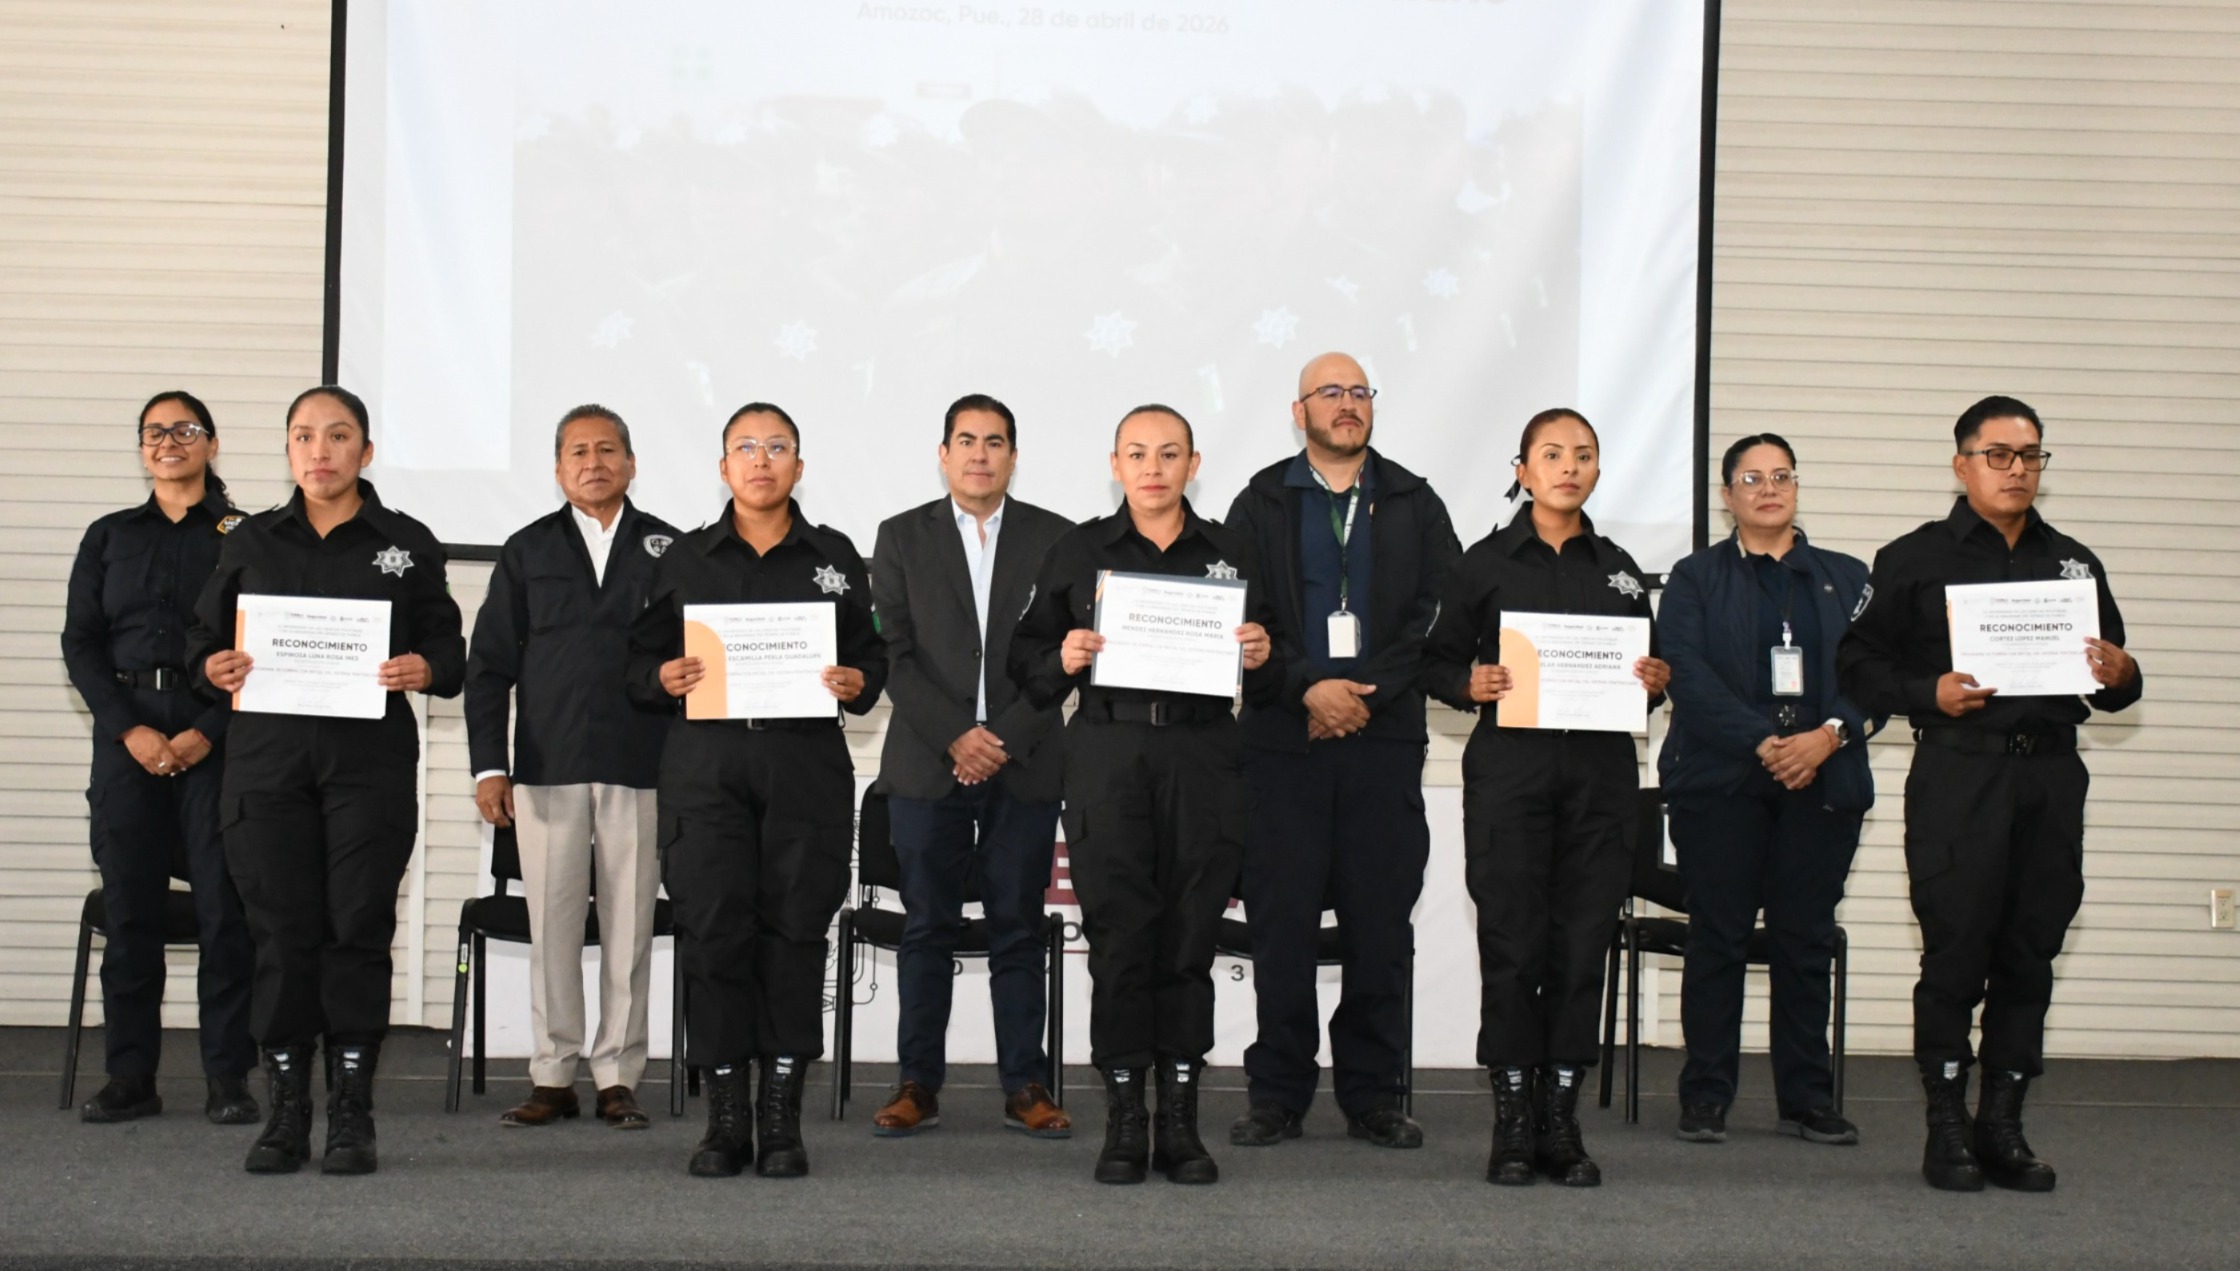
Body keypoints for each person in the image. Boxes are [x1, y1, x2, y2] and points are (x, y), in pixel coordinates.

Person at [1838, 395, 2141, 1194]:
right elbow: (1858, 665)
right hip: (1959, 775)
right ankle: (1946, 1124)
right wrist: (1927, 691)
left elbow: (2112, 680)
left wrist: (2124, 674)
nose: (2017, 469)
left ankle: (2002, 1123)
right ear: (1961, 464)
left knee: (2030, 950)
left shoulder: (2074, 563)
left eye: (2031, 455)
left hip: (2049, 776)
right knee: (1956, 948)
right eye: (1999, 454)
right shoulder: (1912, 558)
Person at [190, 385, 466, 1176]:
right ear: (288, 450)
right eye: (305, 435)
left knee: (356, 928)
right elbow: (201, 642)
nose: (321, 450)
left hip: (367, 770)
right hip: (267, 768)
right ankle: (286, 1111)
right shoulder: (249, 540)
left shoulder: (407, 543)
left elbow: (451, 653)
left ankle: (351, 1111)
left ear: (366, 452)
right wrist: (211, 666)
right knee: (280, 933)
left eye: (339, 435)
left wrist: (425, 667)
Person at [1009, 404, 1278, 1186]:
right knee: (1122, 940)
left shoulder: (1234, 551)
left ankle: (1181, 1126)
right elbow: (1025, 661)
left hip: (1205, 757)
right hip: (1109, 754)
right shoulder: (1079, 550)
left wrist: (1263, 654)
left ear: (1194, 463)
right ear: (1115, 464)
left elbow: (1282, 661)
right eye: (1137, 453)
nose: (1152, 468)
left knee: (1189, 940)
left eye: (1168, 453)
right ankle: (1127, 1122)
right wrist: (1062, 655)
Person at [625, 401, 886, 1180]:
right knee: (713, 934)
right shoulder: (684, 557)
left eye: (777, 447)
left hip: (804, 767)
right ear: (723, 467)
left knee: (796, 935)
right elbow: (634, 665)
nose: (762, 460)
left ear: (799, 467)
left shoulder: (834, 555)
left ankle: (780, 1119)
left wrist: (858, 680)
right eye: (746, 447)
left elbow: (873, 658)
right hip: (706, 769)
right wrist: (661, 676)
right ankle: (726, 1118)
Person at [1220, 353, 1460, 1151]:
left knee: (1378, 928)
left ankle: (1374, 1096)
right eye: (1330, 392)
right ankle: (1277, 1095)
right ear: (1300, 412)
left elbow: (1439, 613)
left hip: (1381, 743)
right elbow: (1241, 617)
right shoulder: (1259, 500)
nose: (1347, 404)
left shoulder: (1415, 501)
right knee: (1282, 928)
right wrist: (1306, 689)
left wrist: (1363, 696)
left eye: (1359, 392)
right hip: (1282, 745)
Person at [1424, 408, 1668, 1188]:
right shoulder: (1483, 563)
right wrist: (1468, 681)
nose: (1569, 467)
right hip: (1511, 777)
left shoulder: (1622, 570)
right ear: (1523, 470)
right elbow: (1433, 661)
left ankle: (1561, 1121)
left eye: (1583, 455)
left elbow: (1651, 678)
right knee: (1513, 946)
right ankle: (1511, 1123)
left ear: (1597, 469)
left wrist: (1655, 680)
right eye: (1553, 454)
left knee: (1581, 948)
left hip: (1600, 782)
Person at [1657, 434, 1878, 1149]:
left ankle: (1807, 1099)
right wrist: (1764, 741)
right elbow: (1684, 672)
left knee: (1804, 940)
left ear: (1797, 487)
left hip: (1823, 779)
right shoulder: (1695, 577)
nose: (1769, 488)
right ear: (1727, 495)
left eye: (1781, 475)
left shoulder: (1848, 577)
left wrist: (1827, 737)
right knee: (1717, 937)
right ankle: (1706, 1095)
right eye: (1751, 478)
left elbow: (1874, 677)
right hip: (1721, 783)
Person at [465, 405, 682, 1131]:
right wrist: (489, 767)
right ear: (559, 469)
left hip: (642, 762)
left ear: (631, 463)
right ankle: (553, 1074)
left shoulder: (670, 549)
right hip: (547, 765)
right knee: (552, 927)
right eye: (579, 452)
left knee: (630, 931)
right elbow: (488, 667)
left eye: (608, 450)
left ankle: (618, 1075)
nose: (594, 463)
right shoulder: (526, 550)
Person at [867, 394, 1074, 1140]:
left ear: (1013, 456)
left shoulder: (1057, 538)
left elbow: (1064, 657)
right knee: (927, 926)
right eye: (966, 440)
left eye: (994, 441)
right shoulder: (900, 536)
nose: (979, 454)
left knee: (1018, 927)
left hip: (1024, 761)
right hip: (928, 764)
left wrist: (1002, 737)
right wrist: (958, 735)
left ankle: (1027, 1085)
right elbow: (894, 655)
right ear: (944, 453)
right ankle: (917, 1083)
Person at [61, 390, 258, 1126]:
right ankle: (130, 1077)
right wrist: (129, 730)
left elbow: (263, 643)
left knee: (225, 915)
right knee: (132, 912)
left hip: (218, 738)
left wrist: (208, 729)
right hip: (129, 741)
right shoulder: (108, 536)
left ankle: (228, 1079)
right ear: (142, 448)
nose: (168, 442)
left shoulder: (248, 536)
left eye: (185, 429)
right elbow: (80, 643)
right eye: (154, 432)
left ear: (212, 443)